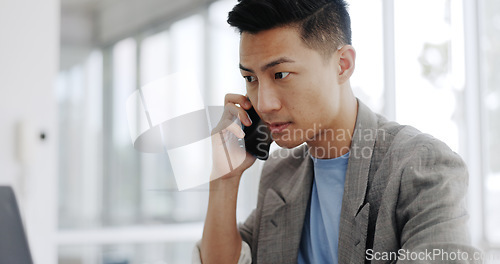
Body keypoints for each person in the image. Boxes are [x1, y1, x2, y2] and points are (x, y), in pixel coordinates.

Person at [193, 0, 480, 263]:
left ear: (343, 65)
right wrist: (224, 179)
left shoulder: (419, 164)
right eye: (250, 78)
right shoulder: (280, 175)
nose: (264, 103)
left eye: (280, 74)